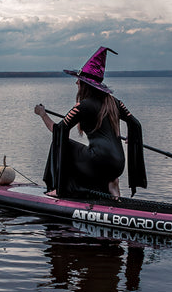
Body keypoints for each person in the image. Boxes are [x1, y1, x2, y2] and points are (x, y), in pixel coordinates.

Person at [33, 47, 146, 199]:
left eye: (79, 81)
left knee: (59, 144)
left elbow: (58, 131)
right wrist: (132, 138)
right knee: (87, 150)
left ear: (85, 84)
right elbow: (135, 124)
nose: (76, 83)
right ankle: (112, 183)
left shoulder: (84, 106)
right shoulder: (115, 102)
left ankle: (59, 189)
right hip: (118, 165)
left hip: (99, 163)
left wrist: (42, 114)